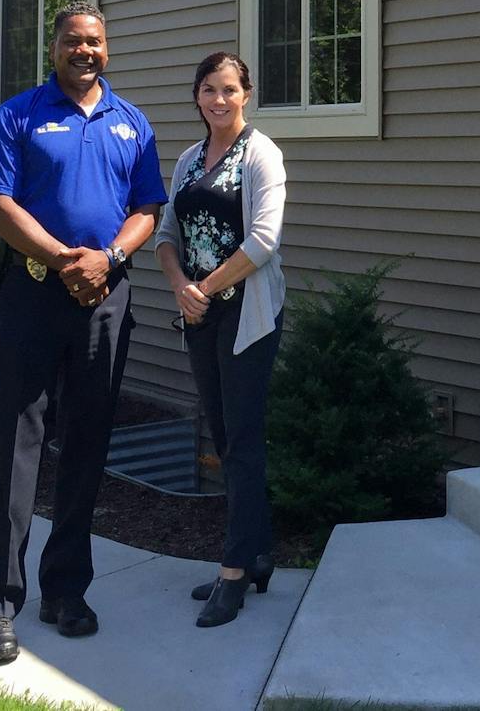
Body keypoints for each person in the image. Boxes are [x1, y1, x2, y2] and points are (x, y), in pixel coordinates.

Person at [0, 2, 167, 665]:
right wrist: (63, 258)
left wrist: (105, 259)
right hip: (31, 293)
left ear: (107, 50)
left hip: (106, 297)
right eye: (73, 40)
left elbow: (147, 207)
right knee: (14, 446)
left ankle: (66, 590)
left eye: (96, 42)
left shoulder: (131, 122)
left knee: (87, 443)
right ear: (52, 47)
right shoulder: (18, 114)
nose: (85, 50)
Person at [154, 51, 286, 628]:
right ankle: (256, 553)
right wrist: (183, 286)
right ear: (198, 96)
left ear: (246, 94)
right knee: (224, 432)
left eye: (229, 89)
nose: (219, 100)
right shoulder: (187, 160)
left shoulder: (261, 153)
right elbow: (165, 234)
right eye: (209, 89)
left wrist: (202, 288)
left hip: (246, 316)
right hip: (200, 314)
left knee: (244, 438)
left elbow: (264, 241)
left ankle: (233, 573)